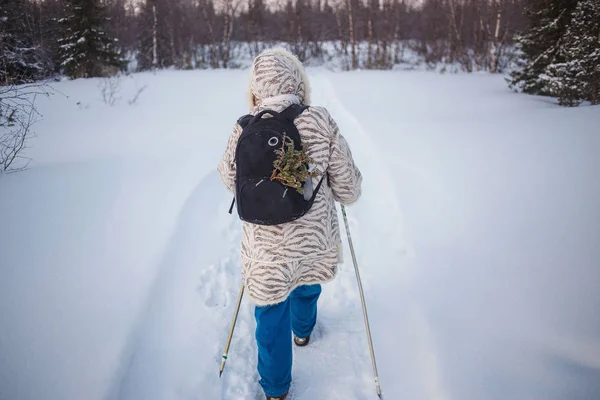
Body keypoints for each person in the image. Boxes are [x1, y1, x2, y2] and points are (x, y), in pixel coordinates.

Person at [217, 48, 362, 400]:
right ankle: (303, 332)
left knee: (269, 314)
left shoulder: (244, 126)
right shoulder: (319, 120)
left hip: (265, 247)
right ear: (297, 79)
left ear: (256, 86)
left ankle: (276, 389)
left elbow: (227, 177)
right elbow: (348, 186)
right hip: (312, 239)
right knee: (308, 282)